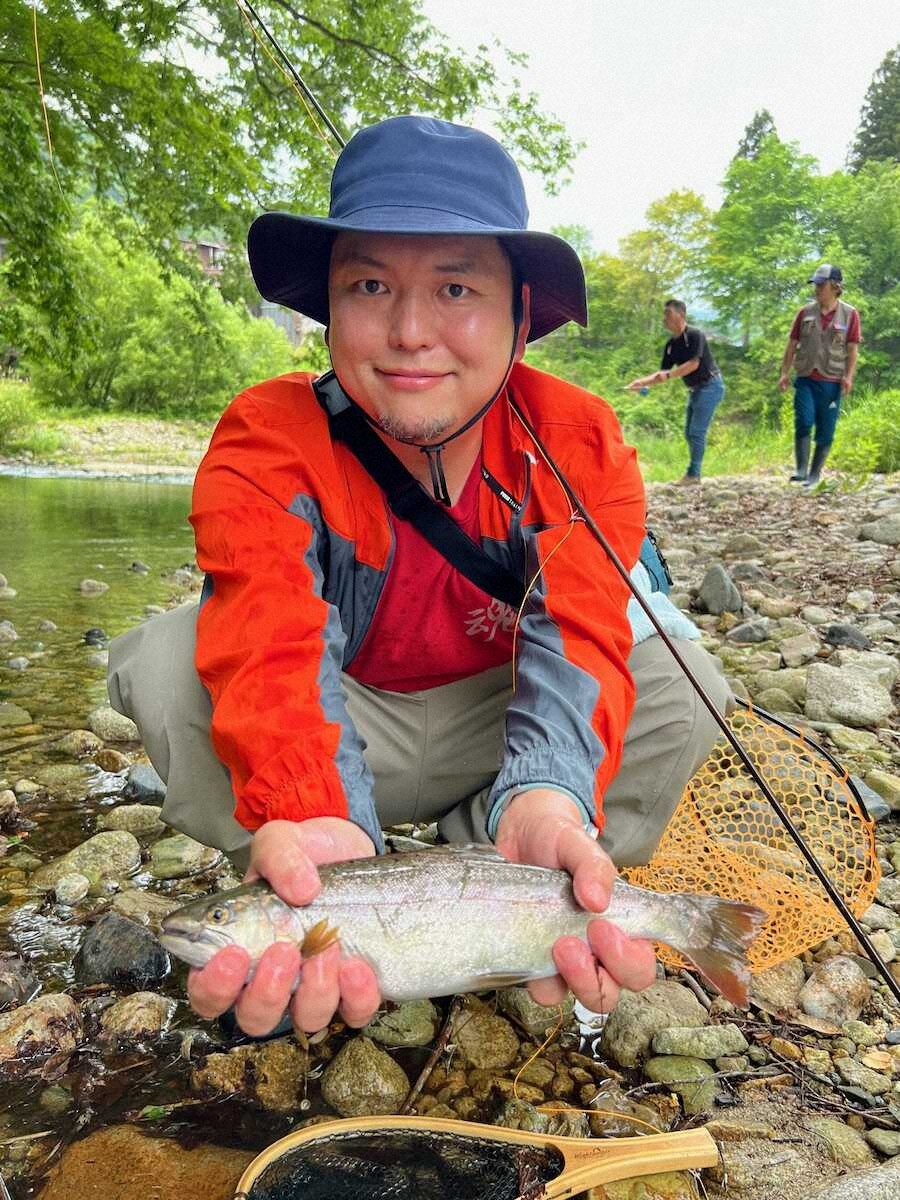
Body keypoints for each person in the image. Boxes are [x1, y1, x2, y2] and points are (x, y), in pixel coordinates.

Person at [108, 116, 731, 1041]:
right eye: (370, 285)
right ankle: (314, 879)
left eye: (455, 287)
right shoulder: (267, 437)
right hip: (345, 727)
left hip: (498, 733)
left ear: (522, 313)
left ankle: (493, 889)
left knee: (686, 682)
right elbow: (269, 646)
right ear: (329, 306)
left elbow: (584, 645)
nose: (408, 333)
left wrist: (548, 796)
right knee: (166, 661)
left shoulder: (580, 445)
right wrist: (317, 822)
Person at [778, 264, 860, 488]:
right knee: (803, 420)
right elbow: (791, 345)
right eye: (815, 285)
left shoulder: (850, 314)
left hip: (832, 381)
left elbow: (852, 349)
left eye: (821, 285)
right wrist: (784, 373)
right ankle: (801, 470)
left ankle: (814, 475)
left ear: (835, 287)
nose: (817, 289)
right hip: (805, 378)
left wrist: (848, 377)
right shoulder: (805, 313)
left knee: (826, 429)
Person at [627, 300, 724, 485]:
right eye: (664, 314)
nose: (665, 318)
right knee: (689, 433)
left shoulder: (695, 335)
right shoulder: (671, 345)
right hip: (695, 389)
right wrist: (641, 383)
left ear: (681, 315)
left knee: (696, 432)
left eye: (668, 314)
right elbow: (662, 373)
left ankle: (693, 474)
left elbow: (693, 364)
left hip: (711, 386)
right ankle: (694, 472)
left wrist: (670, 375)